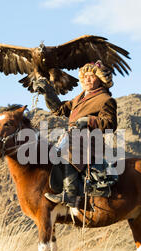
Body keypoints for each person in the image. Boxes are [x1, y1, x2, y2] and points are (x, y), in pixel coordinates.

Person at [33, 61, 117, 208]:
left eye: (91, 76)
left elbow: (110, 123)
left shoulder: (106, 99)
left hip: (90, 141)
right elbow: (59, 109)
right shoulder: (79, 98)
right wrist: (48, 91)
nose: (87, 79)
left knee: (70, 149)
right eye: (84, 76)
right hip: (73, 137)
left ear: (101, 79)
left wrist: (89, 120)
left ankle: (71, 194)